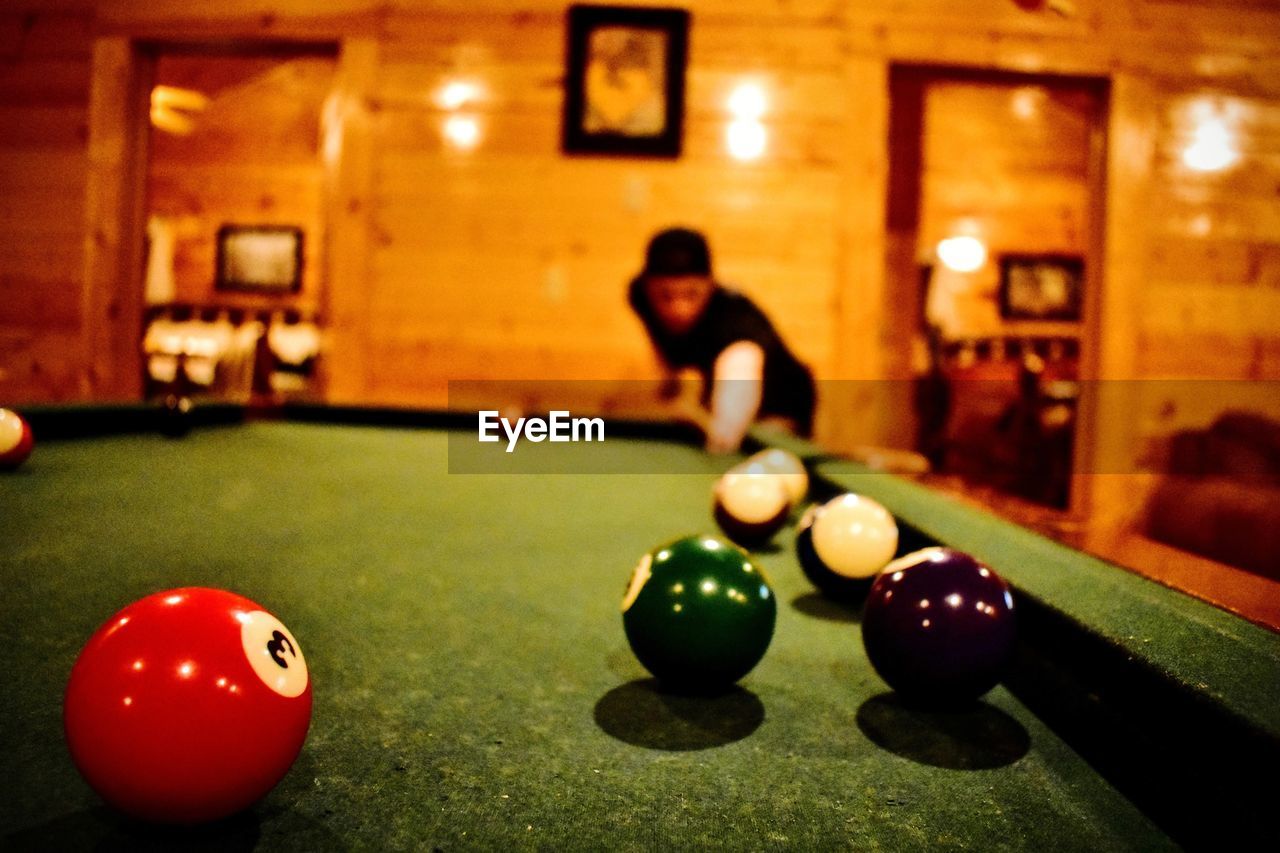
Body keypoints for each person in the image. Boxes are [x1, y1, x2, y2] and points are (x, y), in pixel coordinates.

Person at [628, 227, 816, 453]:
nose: (679, 309)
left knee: (765, 457)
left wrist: (725, 434)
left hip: (783, 401)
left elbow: (740, 368)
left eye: (691, 293)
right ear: (647, 286)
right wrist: (671, 380)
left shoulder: (737, 321)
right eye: (665, 295)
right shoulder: (638, 296)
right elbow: (660, 338)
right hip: (718, 384)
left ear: (710, 285)